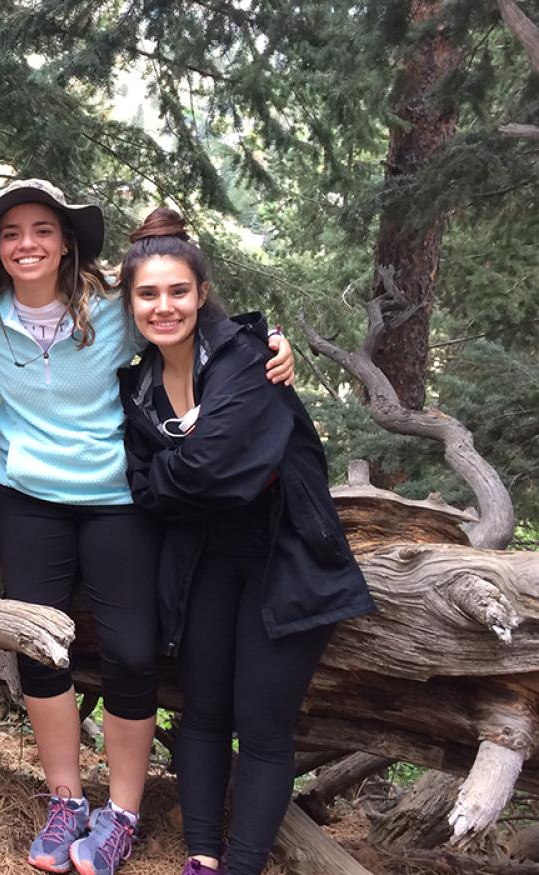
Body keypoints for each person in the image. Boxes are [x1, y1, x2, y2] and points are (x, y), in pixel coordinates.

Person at [0, 180, 295, 875]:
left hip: (121, 498)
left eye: (43, 229)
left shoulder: (113, 304)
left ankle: (123, 813)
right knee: (40, 647)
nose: (28, 243)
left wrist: (273, 344)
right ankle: (65, 800)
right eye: (13, 231)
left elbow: (190, 318)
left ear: (66, 240)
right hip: (26, 498)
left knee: (135, 652)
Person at [117, 209, 373, 875]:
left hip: (286, 558)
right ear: (130, 302)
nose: (163, 305)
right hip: (203, 560)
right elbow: (150, 487)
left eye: (178, 291)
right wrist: (186, 469)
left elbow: (216, 475)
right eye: (148, 293)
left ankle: (243, 864)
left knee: (261, 724)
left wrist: (177, 472)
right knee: (201, 709)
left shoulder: (248, 359)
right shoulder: (139, 384)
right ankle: (202, 855)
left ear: (202, 293)